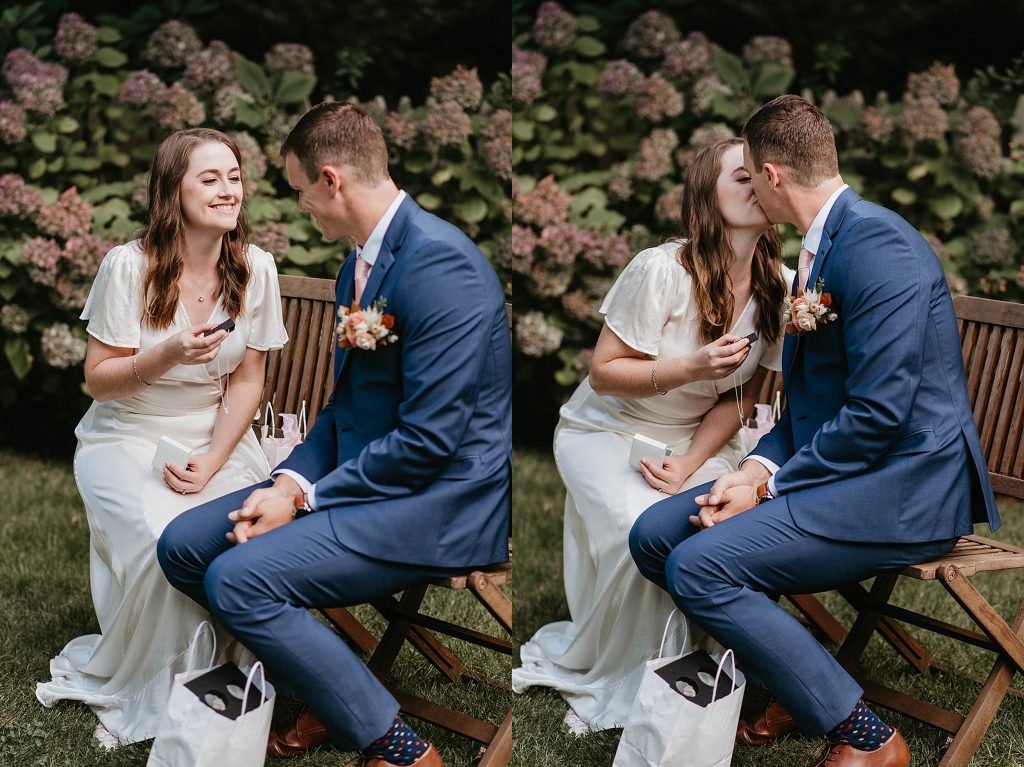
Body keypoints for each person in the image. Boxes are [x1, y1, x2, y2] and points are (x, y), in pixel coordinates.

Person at [630, 95, 1000, 767]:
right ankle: (791, 687)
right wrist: (752, 469)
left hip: (907, 486)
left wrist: (769, 488)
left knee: (700, 564)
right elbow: (807, 408)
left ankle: (868, 736)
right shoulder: (820, 247)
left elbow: (880, 415)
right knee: (655, 535)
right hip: (847, 470)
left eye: (748, 170)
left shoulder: (879, 246)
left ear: (773, 174)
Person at [156, 102, 511, 767]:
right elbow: (343, 408)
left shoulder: (442, 266)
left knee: (239, 579)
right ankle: (337, 688)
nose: (302, 207)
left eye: (299, 191)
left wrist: (304, 499)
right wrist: (290, 478)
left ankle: (403, 749)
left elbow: (432, 441)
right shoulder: (359, 266)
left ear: (330, 179)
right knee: (183, 546)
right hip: (365, 480)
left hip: (442, 500)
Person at [513, 138, 793, 731]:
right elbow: (605, 374)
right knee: (641, 531)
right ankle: (633, 675)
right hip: (606, 431)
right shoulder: (662, 270)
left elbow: (739, 397)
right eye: (739, 178)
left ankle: (718, 669)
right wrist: (690, 367)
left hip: (698, 439)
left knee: (714, 524)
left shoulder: (779, 286)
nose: (756, 186)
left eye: (760, 177)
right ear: (706, 197)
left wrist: (691, 461)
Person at [35, 128, 288, 746]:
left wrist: (213, 458)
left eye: (234, 176)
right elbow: (99, 382)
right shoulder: (129, 266)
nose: (229, 190)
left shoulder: (255, 268)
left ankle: (221, 682)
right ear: (172, 192)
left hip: (215, 434)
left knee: (230, 535)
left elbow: (248, 381)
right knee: (161, 544)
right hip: (126, 432)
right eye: (210, 178)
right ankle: (152, 688)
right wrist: (170, 352)